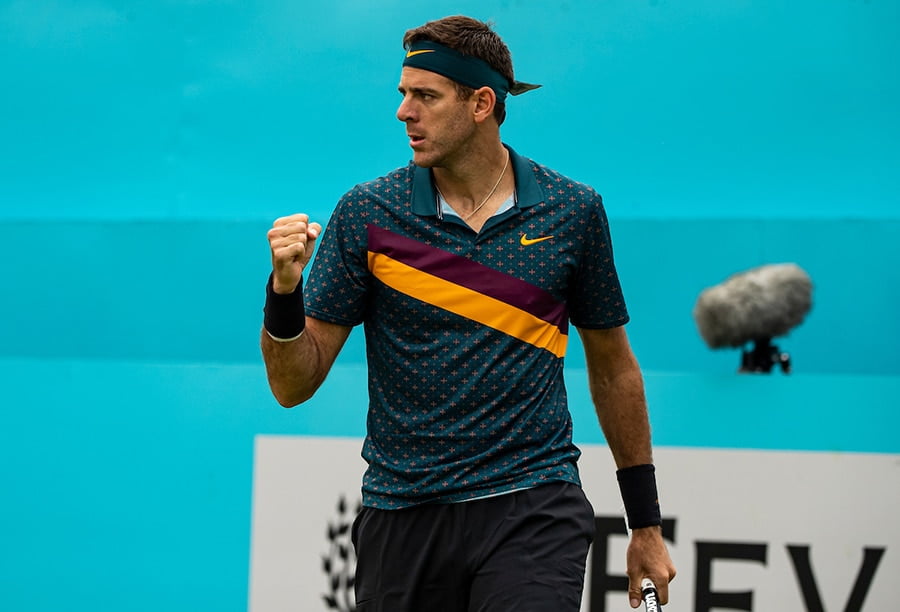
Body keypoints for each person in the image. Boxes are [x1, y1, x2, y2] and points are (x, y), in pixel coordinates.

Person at [261, 15, 675, 611]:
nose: (404, 112)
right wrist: (284, 291)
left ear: (482, 103)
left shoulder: (573, 211)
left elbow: (613, 369)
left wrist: (646, 525)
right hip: (403, 515)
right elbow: (291, 383)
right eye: (403, 94)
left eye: (424, 96)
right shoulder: (367, 213)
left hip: (533, 503)